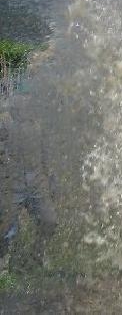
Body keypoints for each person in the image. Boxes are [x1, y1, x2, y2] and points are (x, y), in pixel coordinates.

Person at [0, 85, 57, 267]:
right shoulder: (5, 123)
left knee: (49, 221)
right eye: (19, 101)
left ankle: (38, 252)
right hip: (12, 185)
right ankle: (5, 260)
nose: (23, 104)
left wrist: (52, 180)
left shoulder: (39, 126)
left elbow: (47, 155)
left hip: (37, 185)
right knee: (6, 227)